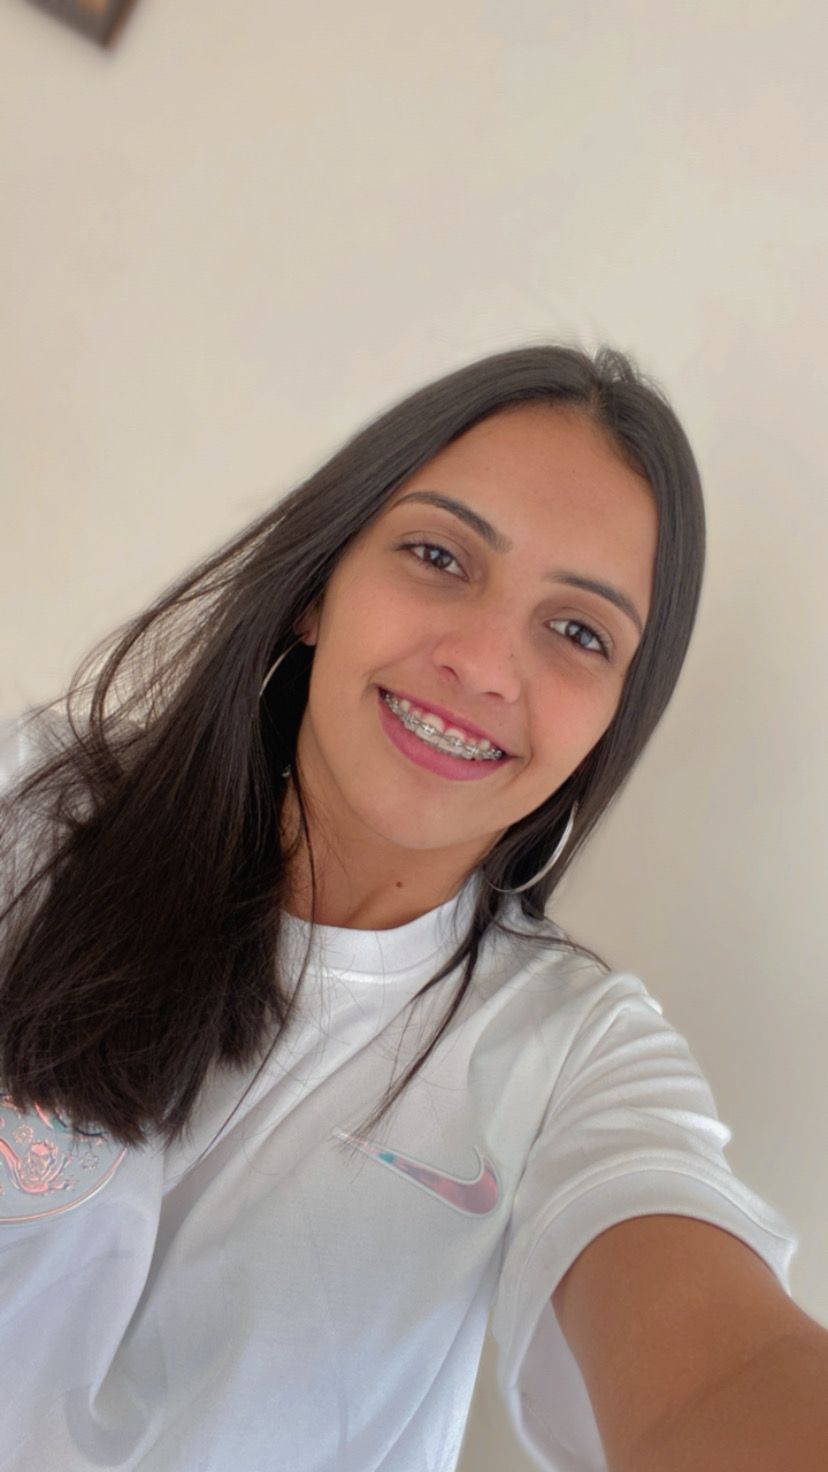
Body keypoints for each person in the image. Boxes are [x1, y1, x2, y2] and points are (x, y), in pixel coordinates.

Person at [0, 344, 824, 1472]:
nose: (483, 664)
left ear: (610, 724)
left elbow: (725, 1372)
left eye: (580, 632)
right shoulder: (31, 810)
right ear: (315, 588)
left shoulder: (572, 1056)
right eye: (440, 556)